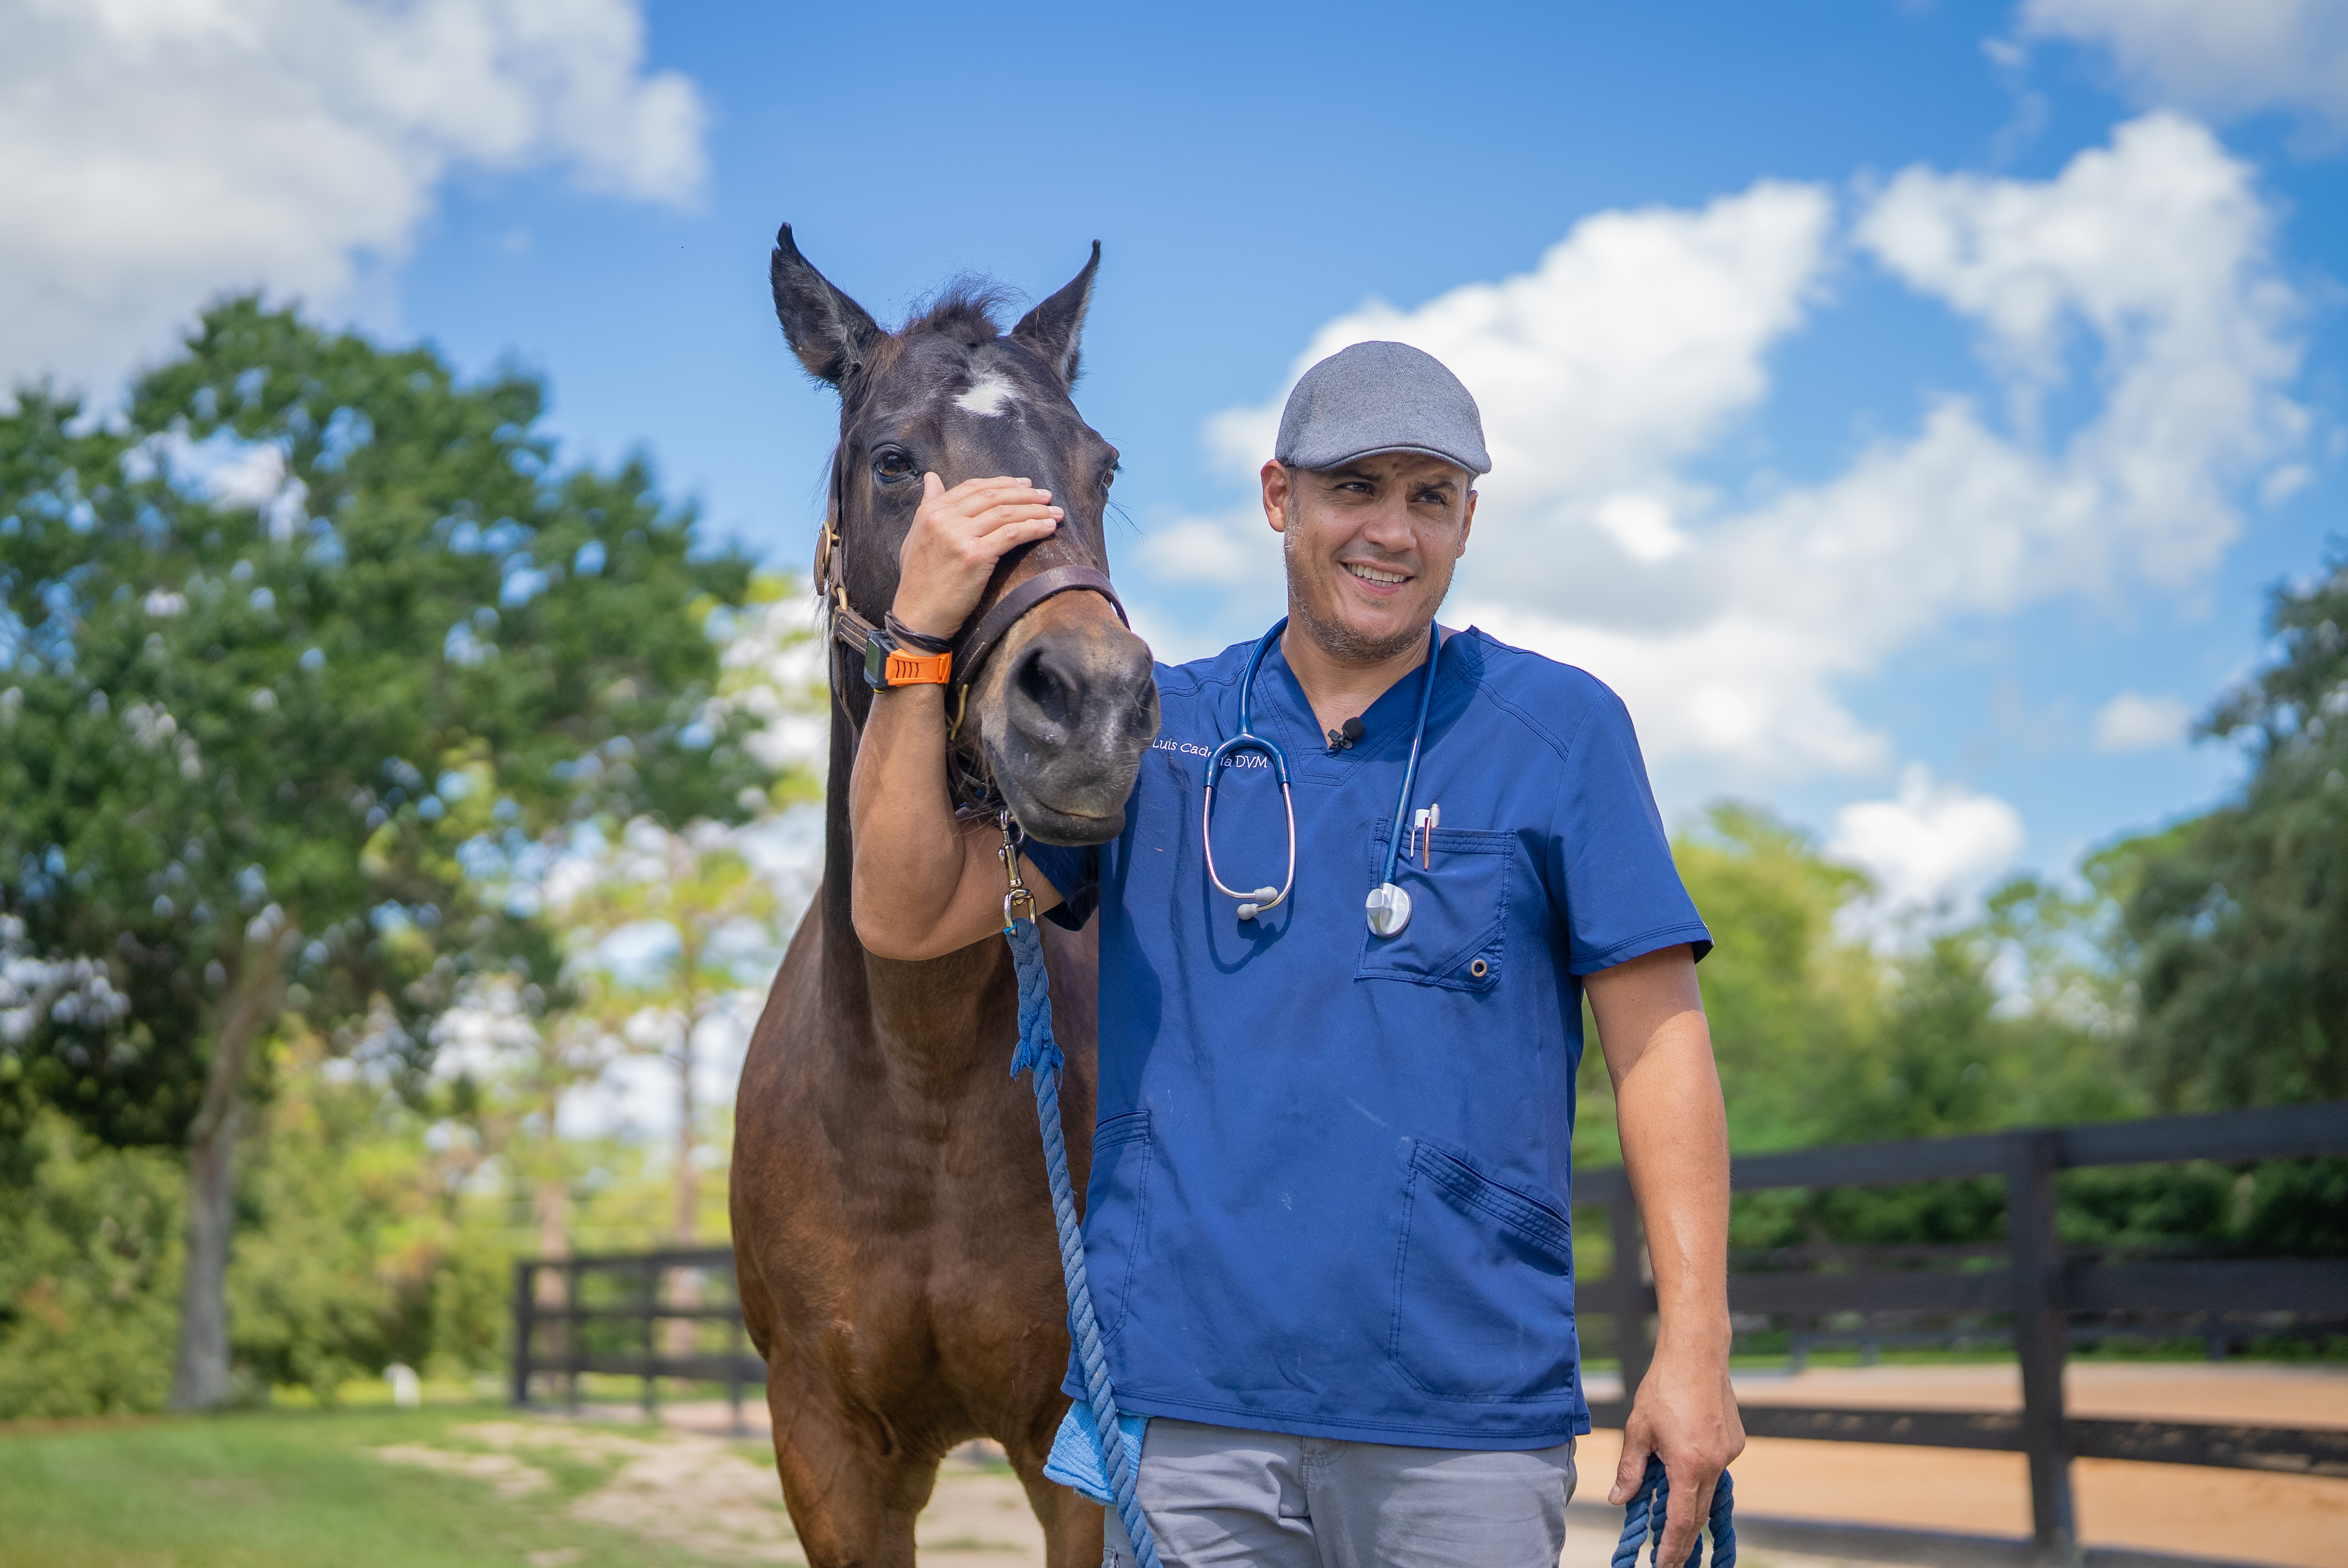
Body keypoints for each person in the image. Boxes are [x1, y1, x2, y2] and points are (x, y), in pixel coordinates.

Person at [853, 341, 1743, 1567]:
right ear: (1280, 499)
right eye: (1353, 489)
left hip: (1461, 1431)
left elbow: (1659, 1047)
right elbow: (902, 914)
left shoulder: (1558, 730)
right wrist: (915, 642)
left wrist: (1694, 1349)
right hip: (1186, 1429)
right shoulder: (1155, 729)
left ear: (1467, 521)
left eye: (1428, 497)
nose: (1391, 531)